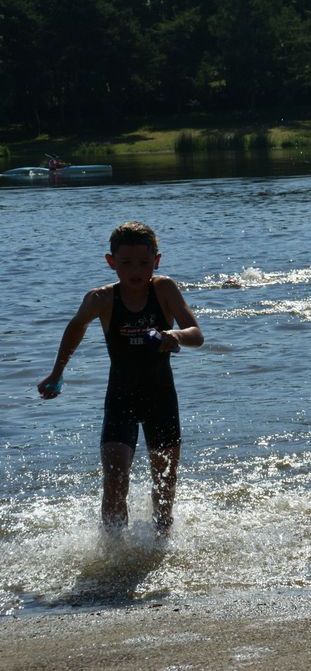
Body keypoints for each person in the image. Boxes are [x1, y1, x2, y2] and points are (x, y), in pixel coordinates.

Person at [37, 222, 204, 536]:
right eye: (125, 263)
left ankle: (161, 542)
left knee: (164, 483)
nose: (135, 270)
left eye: (143, 262)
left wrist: (174, 335)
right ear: (111, 262)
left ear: (156, 261)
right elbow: (75, 328)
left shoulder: (164, 289)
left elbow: (197, 335)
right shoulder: (100, 299)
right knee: (114, 480)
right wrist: (57, 373)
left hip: (161, 399)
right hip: (120, 399)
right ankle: (113, 550)